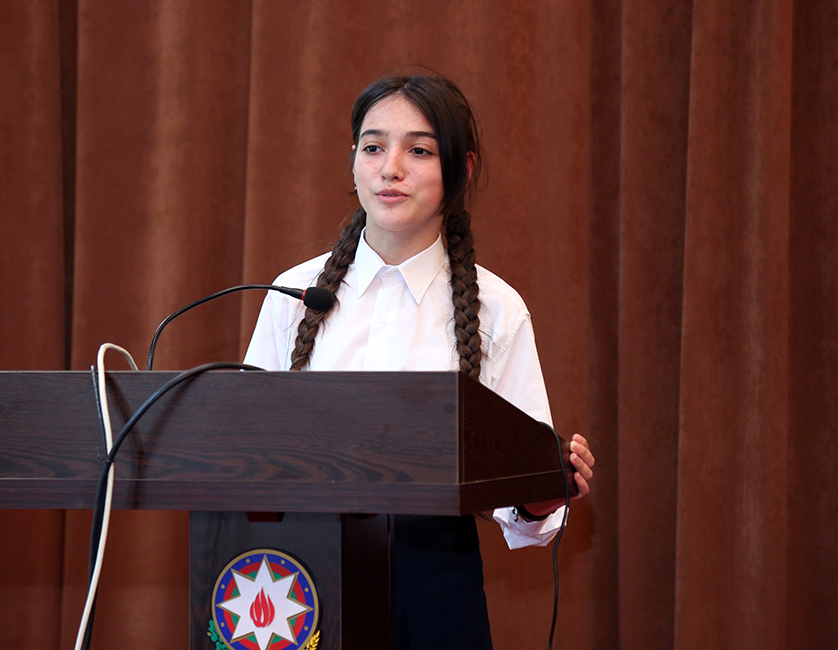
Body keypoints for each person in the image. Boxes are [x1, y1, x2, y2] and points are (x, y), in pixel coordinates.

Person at [243, 75, 595, 650]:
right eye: (374, 147)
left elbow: (528, 517)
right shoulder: (294, 293)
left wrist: (545, 490)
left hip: (437, 584)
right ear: (353, 160)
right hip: (298, 579)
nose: (391, 169)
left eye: (420, 151)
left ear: (463, 169)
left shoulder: (496, 309)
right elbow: (242, 466)